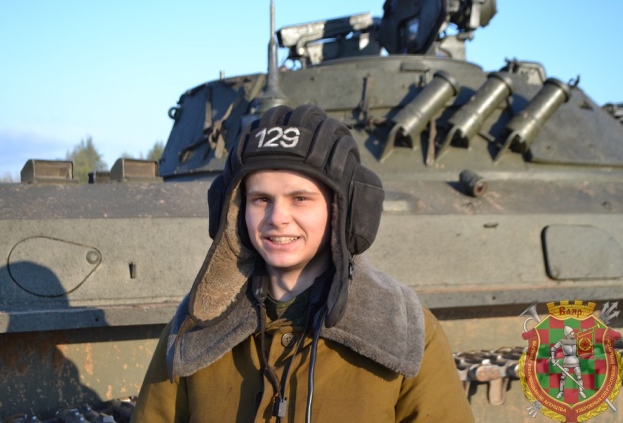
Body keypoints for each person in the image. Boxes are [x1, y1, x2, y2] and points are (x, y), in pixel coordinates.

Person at [131, 104, 473, 422]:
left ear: (344, 211)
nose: (277, 218)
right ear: (234, 211)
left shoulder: (402, 329)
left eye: (300, 198)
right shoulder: (195, 328)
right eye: (261, 199)